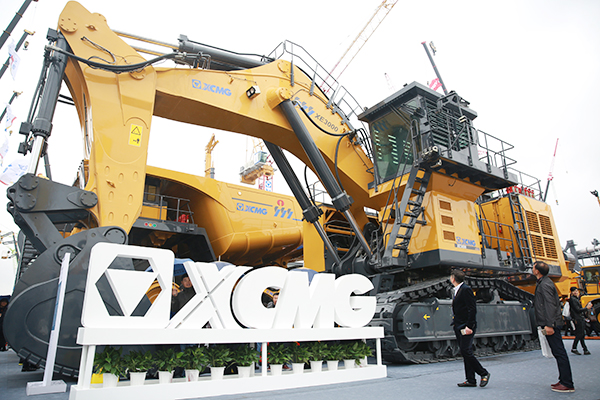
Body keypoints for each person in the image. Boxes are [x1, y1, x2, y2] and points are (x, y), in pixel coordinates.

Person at [532, 261, 575, 393]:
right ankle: (563, 380)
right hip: (551, 322)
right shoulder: (545, 282)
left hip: (551, 324)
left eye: (533, 267)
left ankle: (567, 383)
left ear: (537, 271)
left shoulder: (544, 285)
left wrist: (549, 325)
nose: (532, 269)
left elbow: (550, 306)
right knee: (558, 352)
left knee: (559, 353)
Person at [450, 269, 490, 388]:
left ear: (453, 279)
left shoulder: (466, 290)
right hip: (459, 325)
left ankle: (484, 373)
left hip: (465, 326)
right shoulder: (458, 290)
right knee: (465, 352)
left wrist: (469, 326)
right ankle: (470, 379)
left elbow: (472, 309)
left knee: (465, 351)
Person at [568, 287, 591, 355]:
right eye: (574, 291)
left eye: (576, 291)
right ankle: (575, 348)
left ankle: (585, 349)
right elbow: (577, 310)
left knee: (581, 334)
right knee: (580, 334)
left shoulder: (575, 299)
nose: (576, 292)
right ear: (571, 292)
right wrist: (586, 308)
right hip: (578, 318)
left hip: (579, 318)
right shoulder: (573, 299)